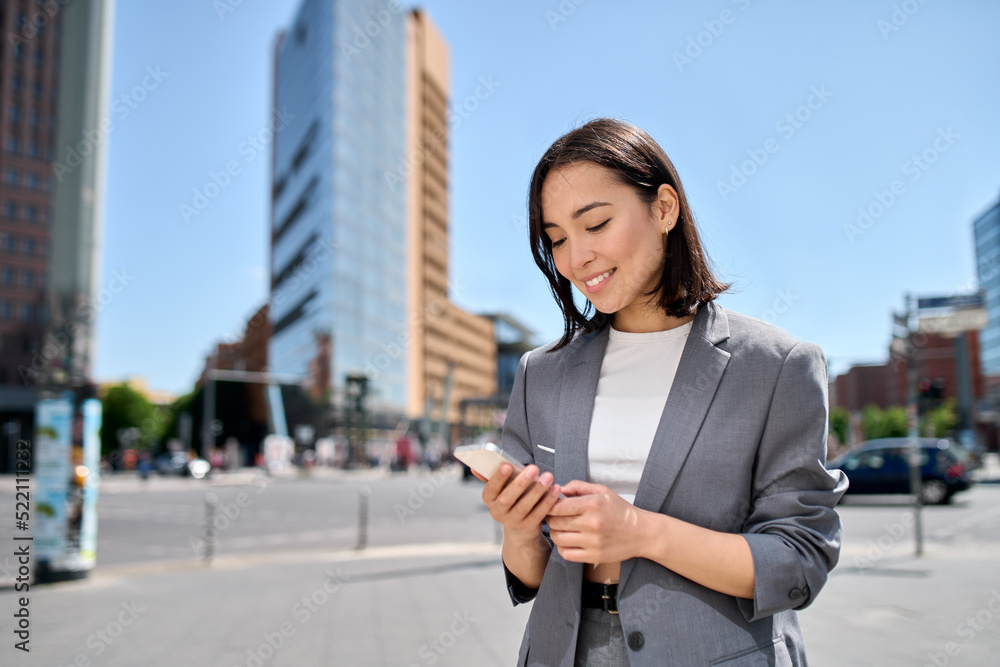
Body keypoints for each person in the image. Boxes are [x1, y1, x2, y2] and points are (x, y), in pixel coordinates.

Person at [477, 118, 848, 666]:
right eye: (556, 239)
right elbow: (529, 574)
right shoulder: (541, 373)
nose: (575, 258)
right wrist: (518, 530)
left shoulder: (777, 367)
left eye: (596, 224)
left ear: (664, 209)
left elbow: (798, 561)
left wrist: (640, 532)